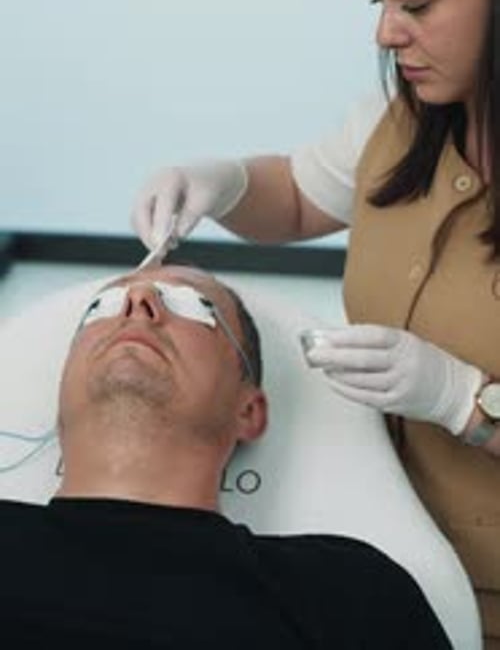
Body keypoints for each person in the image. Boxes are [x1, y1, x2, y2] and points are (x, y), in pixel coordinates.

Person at [131, 0, 500, 647]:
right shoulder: (405, 121)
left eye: (416, 4)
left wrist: (464, 400)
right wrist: (219, 181)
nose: (385, 33)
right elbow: (294, 197)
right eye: (378, 1)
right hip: (383, 555)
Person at [0, 264, 449, 648]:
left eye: (191, 304)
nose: (138, 301)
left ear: (248, 410)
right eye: (100, 308)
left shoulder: (348, 591)